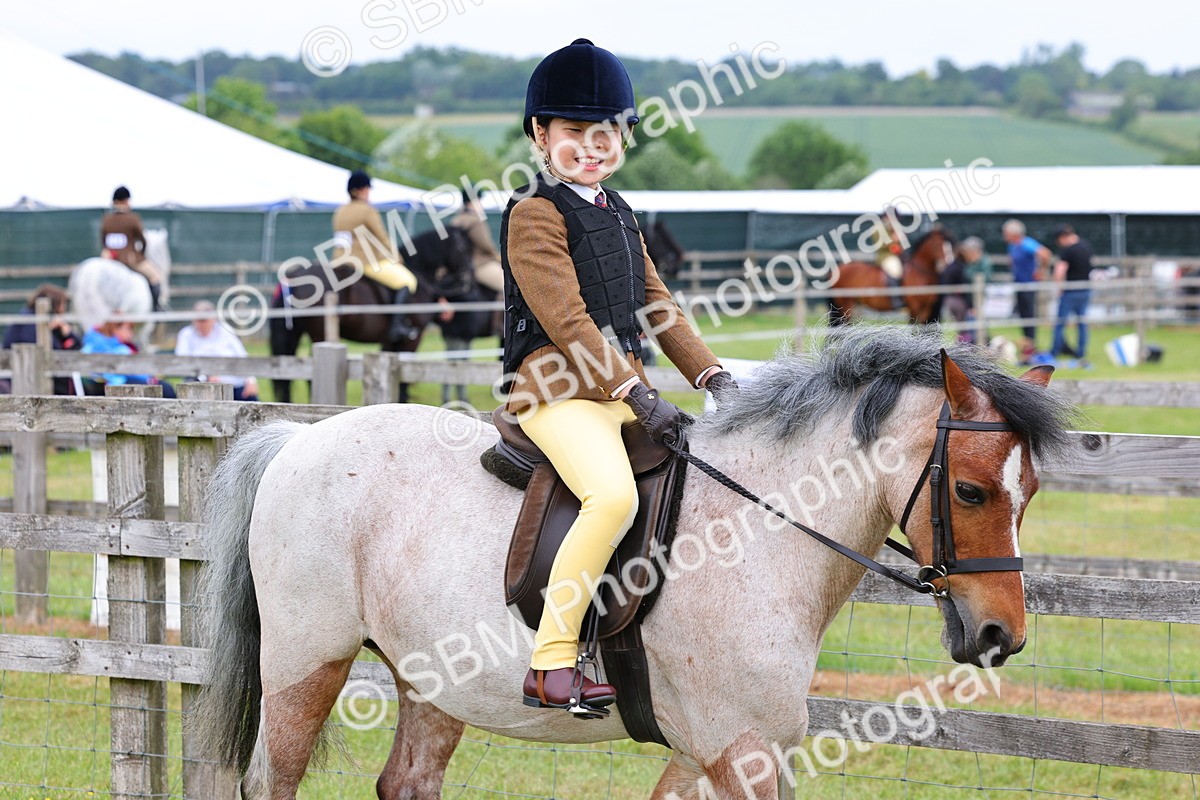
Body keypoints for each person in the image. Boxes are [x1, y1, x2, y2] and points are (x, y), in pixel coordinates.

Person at [503, 38, 735, 715]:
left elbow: (658, 306)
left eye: (607, 131)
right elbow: (569, 322)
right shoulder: (534, 211)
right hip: (557, 391)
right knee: (611, 498)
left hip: (622, 394)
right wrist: (636, 390)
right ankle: (551, 664)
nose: (592, 145)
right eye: (575, 131)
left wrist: (713, 375)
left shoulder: (621, 212)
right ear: (540, 134)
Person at [332, 171, 422, 345]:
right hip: (363, 261)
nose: (369, 193)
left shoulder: (340, 211)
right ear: (359, 190)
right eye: (367, 189)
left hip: (339, 260)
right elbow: (382, 237)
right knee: (407, 281)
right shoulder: (367, 211)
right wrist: (396, 256)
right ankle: (397, 326)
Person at [1, 284, 82, 395]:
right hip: (24, 382)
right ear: (53, 304)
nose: (63, 309)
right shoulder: (30, 322)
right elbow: (51, 354)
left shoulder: (41, 321)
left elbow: (77, 346)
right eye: (62, 303)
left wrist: (67, 333)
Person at [174, 301, 259, 400]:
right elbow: (182, 362)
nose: (201, 324)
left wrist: (251, 381)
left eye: (205, 320)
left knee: (252, 400)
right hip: (202, 386)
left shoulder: (226, 331)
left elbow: (242, 356)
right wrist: (206, 376)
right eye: (199, 320)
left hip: (233, 384)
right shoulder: (186, 334)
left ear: (214, 319)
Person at [100, 186, 165, 311]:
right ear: (126, 200)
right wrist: (141, 254)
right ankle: (156, 308)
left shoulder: (106, 219)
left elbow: (103, 240)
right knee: (155, 277)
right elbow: (142, 240)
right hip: (130, 258)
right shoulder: (133, 218)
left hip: (109, 258)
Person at [81, 319, 176, 397]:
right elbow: (122, 372)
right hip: (117, 383)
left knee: (165, 388)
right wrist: (150, 380)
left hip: (123, 381)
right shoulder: (110, 347)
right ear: (115, 328)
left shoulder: (120, 346)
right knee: (166, 389)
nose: (130, 333)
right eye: (128, 329)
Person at [1001, 219, 1052, 355]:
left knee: (1029, 315)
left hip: (1028, 284)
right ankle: (1027, 344)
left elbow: (1045, 254)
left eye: (1006, 233)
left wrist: (1041, 271)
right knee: (1023, 315)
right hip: (1019, 283)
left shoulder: (1026, 243)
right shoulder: (1012, 246)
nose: (1004, 235)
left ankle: (1031, 345)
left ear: (1014, 233)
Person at [1049, 225, 1094, 362]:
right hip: (1085, 289)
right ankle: (1081, 352)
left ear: (1063, 237)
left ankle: (1055, 351)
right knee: (1082, 323)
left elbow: (1060, 270)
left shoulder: (1068, 250)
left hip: (1070, 291)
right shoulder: (1086, 246)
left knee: (1060, 323)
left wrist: (1059, 287)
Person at [452, 185, 504, 295]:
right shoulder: (475, 221)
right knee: (508, 285)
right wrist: (497, 257)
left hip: (462, 265)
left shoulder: (456, 220)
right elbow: (485, 245)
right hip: (480, 264)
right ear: (472, 201)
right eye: (479, 200)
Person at [939, 237, 993, 343]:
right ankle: (969, 342)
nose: (965, 254)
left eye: (967, 251)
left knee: (977, 322)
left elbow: (982, 279)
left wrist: (973, 305)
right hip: (968, 299)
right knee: (969, 323)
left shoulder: (982, 262)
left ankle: (978, 343)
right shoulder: (967, 263)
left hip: (977, 298)